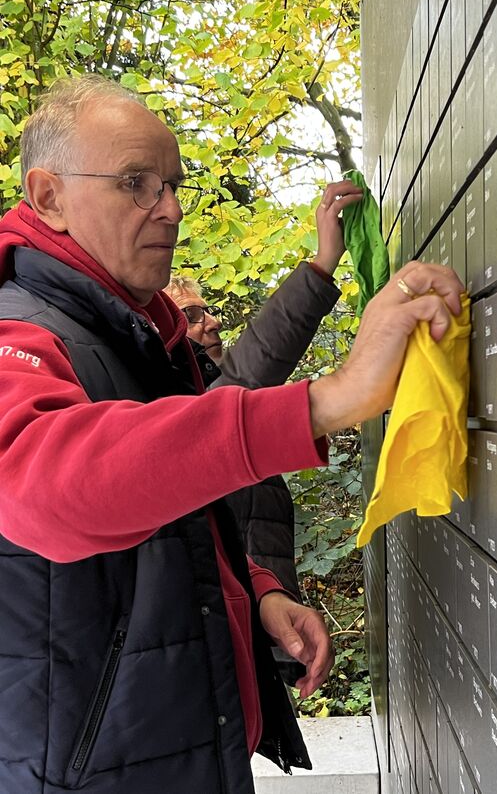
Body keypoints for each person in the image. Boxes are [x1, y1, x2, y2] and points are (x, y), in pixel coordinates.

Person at [0, 74, 462, 794]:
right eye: (137, 183)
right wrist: (329, 399)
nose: (171, 209)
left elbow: (163, 515)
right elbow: (43, 488)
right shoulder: (19, 327)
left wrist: (254, 592)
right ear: (49, 196)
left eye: (173, 183)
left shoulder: (130, 328)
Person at [164, 246, 344, 682]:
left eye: (208, 311)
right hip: (227, 627)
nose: (213, 322)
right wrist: (320, 267)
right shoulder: (183, 404)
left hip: (260, 613)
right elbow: (250, 371)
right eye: (193, 316)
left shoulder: (203, 387)